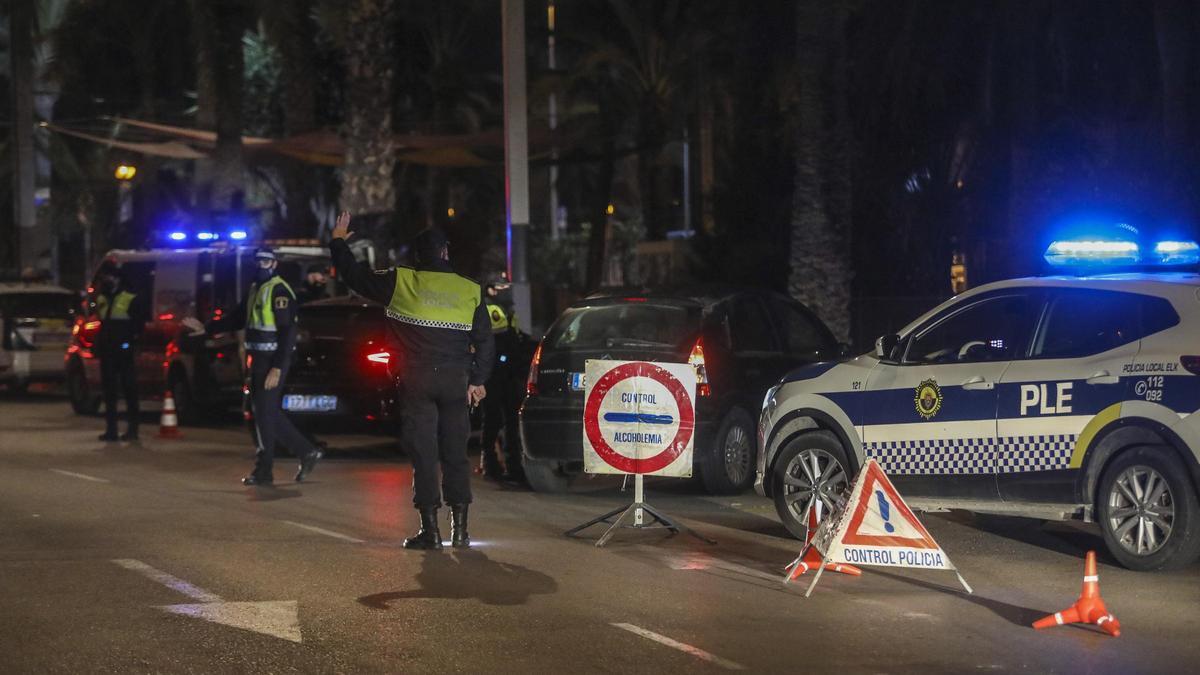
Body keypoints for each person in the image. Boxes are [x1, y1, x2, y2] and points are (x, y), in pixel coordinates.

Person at [328, 212, 494, 550]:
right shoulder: (470, 289)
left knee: (423, 453)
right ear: (446, 253)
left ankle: (430, 532)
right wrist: (478, 379)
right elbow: (486, 340)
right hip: (455, 380)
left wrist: (338, 241)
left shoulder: (400, 281)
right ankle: (460, 531)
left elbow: (354, 275)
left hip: (416, 379)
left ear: (418, 256)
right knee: (455, 454)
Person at [183, 248, 322, 486]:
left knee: (263, 416)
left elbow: (288, 333)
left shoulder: (279, 292)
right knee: (264, 413)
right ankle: (306, 451)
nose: (261, 266)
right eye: (257, 261)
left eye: (266, 261)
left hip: (271, 362)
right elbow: (237, 318)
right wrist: (207, 328)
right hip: (257, 360)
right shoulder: (256, 289)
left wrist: (277, 368)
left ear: (274, 264)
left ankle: (264, 470)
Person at [94, 264, 150, 442]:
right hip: (107, 350)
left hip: (124, 350)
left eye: (107, 277)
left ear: (116, 277)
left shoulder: (130, 297)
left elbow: (139, 324)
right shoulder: (103, 297)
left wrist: (131, 342)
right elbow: (102, 323)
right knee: (109, 392)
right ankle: (111, 430)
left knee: (129, 390)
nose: (105, 281)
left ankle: (132, 430)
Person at [478, 279, 524, 483]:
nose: (507, 291)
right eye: (501, 288)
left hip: (507, 375)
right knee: (493, 419)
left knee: (511, 421)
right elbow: (497, 344)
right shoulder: (491, 309)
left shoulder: (506, 309)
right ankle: (490, 462)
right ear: (490, 290)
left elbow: (514, 340)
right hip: (494, 375)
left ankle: (512, 464)